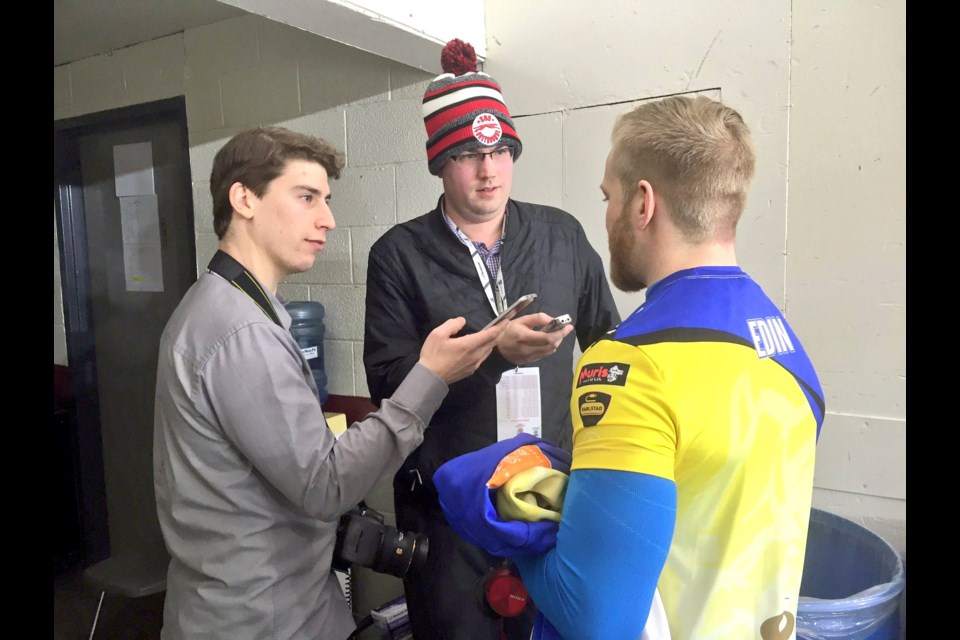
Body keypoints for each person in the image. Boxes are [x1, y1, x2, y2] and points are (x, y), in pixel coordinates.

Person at [433, 95, 826, 640]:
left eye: (608, 197)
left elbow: (596, 620)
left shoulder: (629, 367)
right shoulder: (787, 348)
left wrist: (509, 532)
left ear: (643, 204)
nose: (607, 215)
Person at [152, 126, 507, 640]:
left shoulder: (231, 306)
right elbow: (326, 484)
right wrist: (429, 377)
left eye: (327, 199)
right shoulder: (240, 331)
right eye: (306, 197)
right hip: (262, 620)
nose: (328, 219)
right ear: (243, 199)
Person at [363, 39, 621, 640]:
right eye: (467, 154)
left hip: (550, 492)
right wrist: (489, 355)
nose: (489, 170)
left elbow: (607, 344)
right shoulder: (399, 256)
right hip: (449, 509)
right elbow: (388, 385)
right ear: (438, 163)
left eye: (502, 149)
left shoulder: (561, 235)